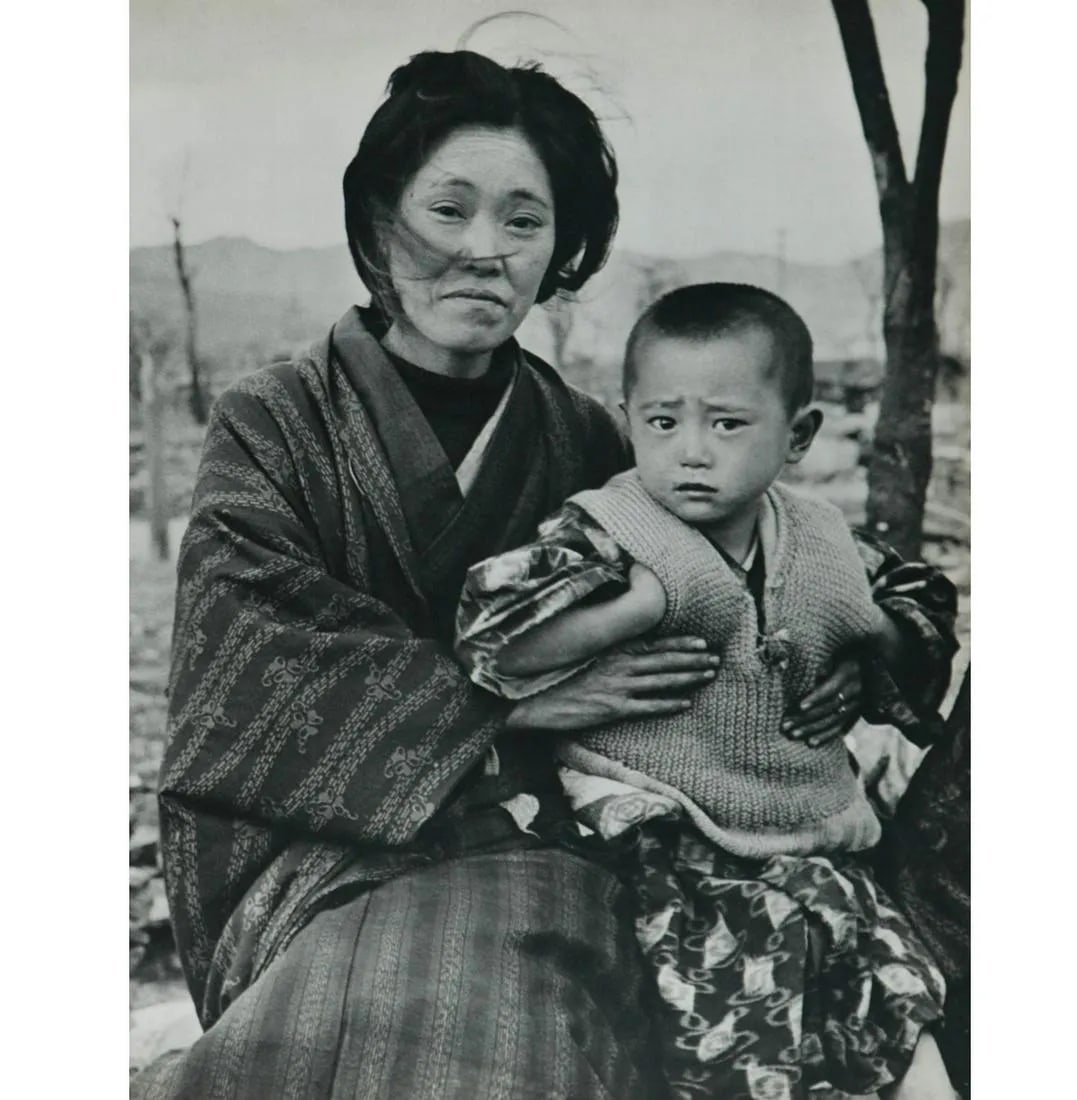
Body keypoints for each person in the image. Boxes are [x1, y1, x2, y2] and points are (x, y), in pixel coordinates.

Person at [132, 51, 956, 1100]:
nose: (482, 249)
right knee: (421, 988)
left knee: (535, 995)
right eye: (447, 208)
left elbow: (792, 566)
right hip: (312, 847)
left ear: (560, 247)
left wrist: (846, 648)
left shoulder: (585, 439)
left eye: (523, 220)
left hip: (540, 841)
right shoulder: (275, 424)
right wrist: (514, 699)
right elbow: (249, 675)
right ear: (380, 220)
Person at [456, 283, 958, 1099]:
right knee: (743, 1002)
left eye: (726, 424)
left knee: (891, 990)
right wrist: (635, 607)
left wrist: (869, 652)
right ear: (629, 421)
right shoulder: (609, 530)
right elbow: (492, 641)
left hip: (805, 831)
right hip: (659, 834)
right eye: (662, 422)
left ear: (798, 436)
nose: (691, 450)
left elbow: (918, 605)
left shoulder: (823, 537)